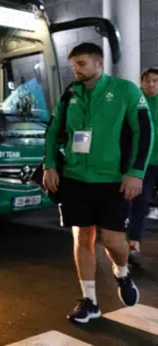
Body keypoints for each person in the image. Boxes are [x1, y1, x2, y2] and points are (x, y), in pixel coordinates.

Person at [43, 42, 154, 324]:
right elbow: (53, 131)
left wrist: (136, 172)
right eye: (73, 65)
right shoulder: (70, 95)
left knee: (113, 239)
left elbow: (145, 131)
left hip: (113, 180)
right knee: (82, 237)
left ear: (98, 63)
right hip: (76, 179)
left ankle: (122, 271)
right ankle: (90, 301)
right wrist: (51, 165)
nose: (76, 71)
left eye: (81, 64)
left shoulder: (125, 90)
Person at [129, 67, 158, 266]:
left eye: (156, 81)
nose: (151, 84)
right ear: (142, 83)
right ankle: (134, 243)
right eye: (148, 81)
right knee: (140, 203)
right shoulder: (137, 103)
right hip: (144, 164)